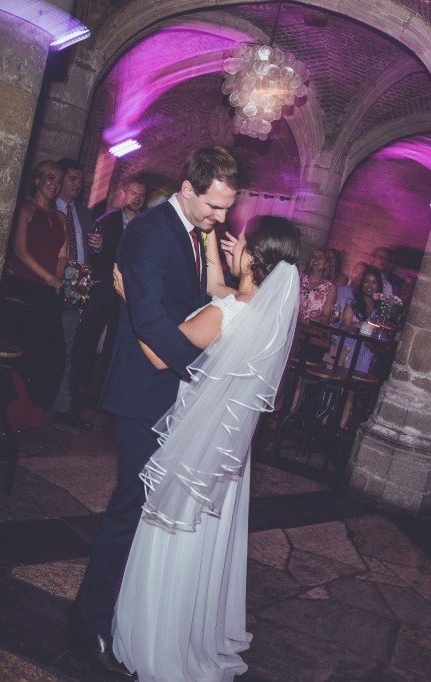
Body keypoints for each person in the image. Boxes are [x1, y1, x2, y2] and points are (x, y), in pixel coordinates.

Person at [68, 146, 240, 677]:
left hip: (173, 389)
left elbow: (197, 299)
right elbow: (148, 320)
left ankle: (128, 610)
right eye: (214, 206)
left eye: (227, 208)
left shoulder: (194, 231)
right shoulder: (149, 232)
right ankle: (88, 623)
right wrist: (201, 369)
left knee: (150, 509)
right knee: (130, 506)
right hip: (146, 390)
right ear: (188, 189)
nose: (221, 218)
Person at [111, 216, 301, 681]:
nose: (234, 246)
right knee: (205, 540)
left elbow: (160, 355)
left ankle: (158, 640)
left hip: (193, 447)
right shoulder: (264, 316)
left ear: (254, 258)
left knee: (174, 534)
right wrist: (211, 233)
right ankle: (193, 633)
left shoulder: (225, 312)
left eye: (243, 244)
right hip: (225, 454)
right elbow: (219, 283)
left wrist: (131, 296)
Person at [0, 160, 69, 408]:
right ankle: (7, 407)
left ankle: (33, 409)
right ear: (37, 179)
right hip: (22, 286)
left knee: (53, 354)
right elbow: (20, 251)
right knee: (25, 349)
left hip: (46, 290)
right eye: (50, 178)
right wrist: (50, 279)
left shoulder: (60, 217)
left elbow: (62, 255)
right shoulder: (25, 210)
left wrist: (55, 282)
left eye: (59, 181)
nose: (55, 184)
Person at [70, 175, 148, 400]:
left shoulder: (147, 225)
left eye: (141, 195)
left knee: (116, 342)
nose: (137, 198)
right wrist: (100, 247)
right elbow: (91, 255)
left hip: (129, 292)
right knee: (88, 336)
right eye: (133, 193)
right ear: (124, 194)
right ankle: (75, 388)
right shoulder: (106, 221)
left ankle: (103, 392)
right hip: (103, 288)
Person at [50, 157, 95, 430]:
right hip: (50, 281)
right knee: (46, 344)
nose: (78, 185)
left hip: (77, 283)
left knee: (69, 348)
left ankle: (63, 406)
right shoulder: (48, 208)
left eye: (80, 180)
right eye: (73, 179)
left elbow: (87, 251)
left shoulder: (83, 213)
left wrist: (98, 246)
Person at [338, 267, 384, 374]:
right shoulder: (352, 303)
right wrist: (358, 325)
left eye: (373, 282)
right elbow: (344, 326)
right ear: (362, 283)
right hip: (348, 348)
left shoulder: (380, 309)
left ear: (378, 286)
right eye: (366, 281)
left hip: (366, 352)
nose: (369, 286)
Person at [298, 249, 336, 322]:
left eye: (321, 257)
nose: (316, 259)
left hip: (311, 326)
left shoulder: (330, 287)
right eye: (313, 256)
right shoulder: (298, 279)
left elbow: (325, 316)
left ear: (326, 264)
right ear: (309, 261)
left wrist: (306, 321)